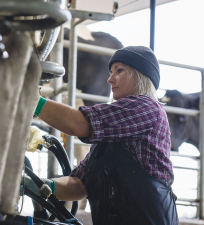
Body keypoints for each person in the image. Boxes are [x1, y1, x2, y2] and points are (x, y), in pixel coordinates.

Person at [23, 46, 179, 225]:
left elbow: (78, 124)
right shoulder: (111, 132)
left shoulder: (148, 108)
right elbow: (79, 185)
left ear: (141, 75)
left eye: (119, 71)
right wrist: (36, 185)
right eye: (111, 72)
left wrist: (32, 100)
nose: (110, 79)